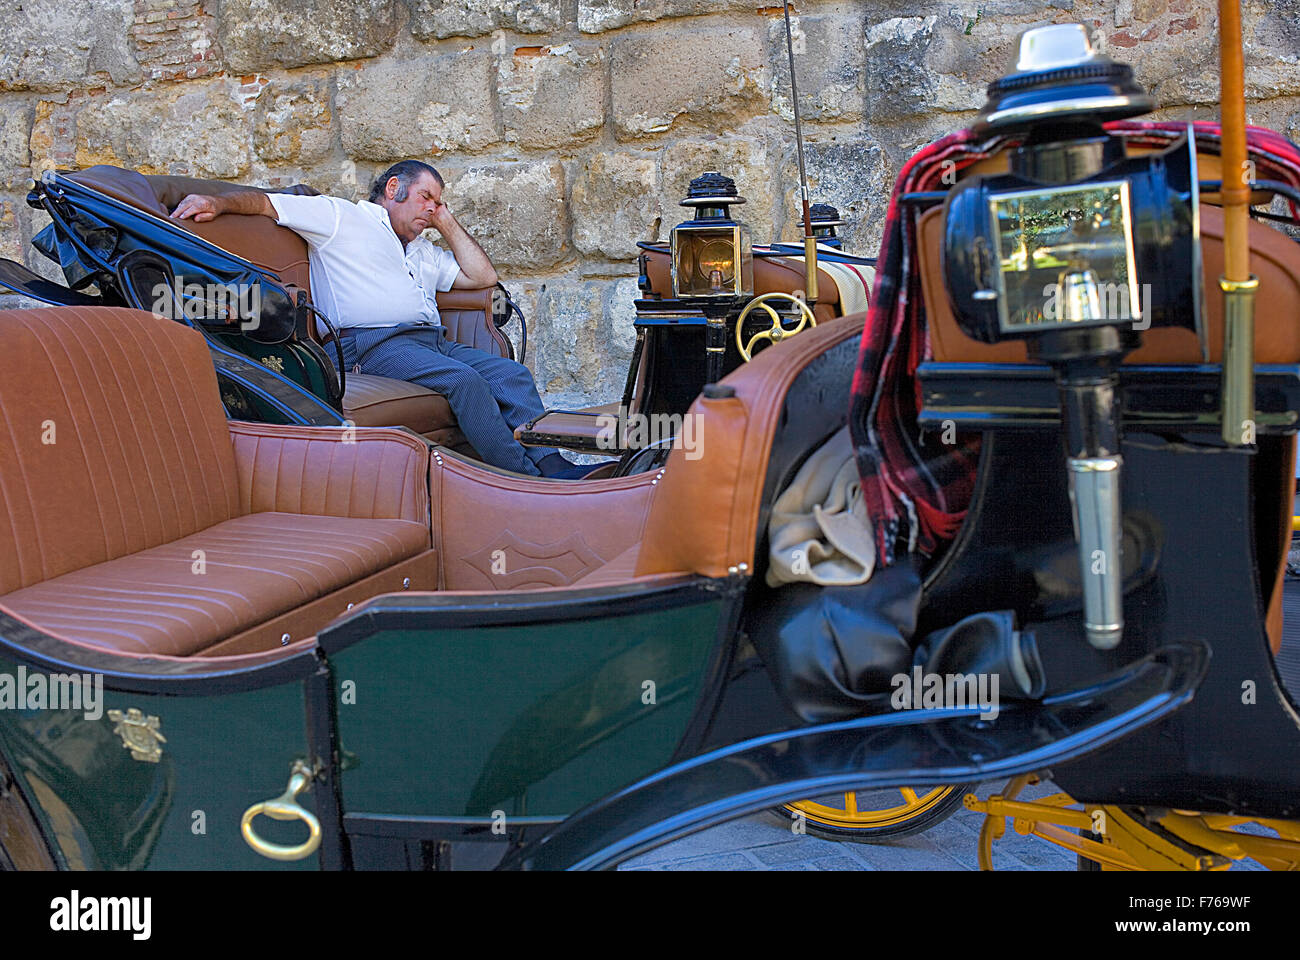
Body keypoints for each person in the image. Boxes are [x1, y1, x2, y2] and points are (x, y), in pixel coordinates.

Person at [170, 160, 598, 479]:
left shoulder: (422, 251)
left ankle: (553, 464)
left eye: (438, 202)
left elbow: (483, 276)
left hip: (430, 341)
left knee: (510, 373)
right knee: (464, 382)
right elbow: (267, 204)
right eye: (425, 198)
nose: (431, 210)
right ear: (393, 188)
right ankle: (524, 481)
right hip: (372, 346)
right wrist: (218, 202)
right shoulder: (341, 218)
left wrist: (445, 220)